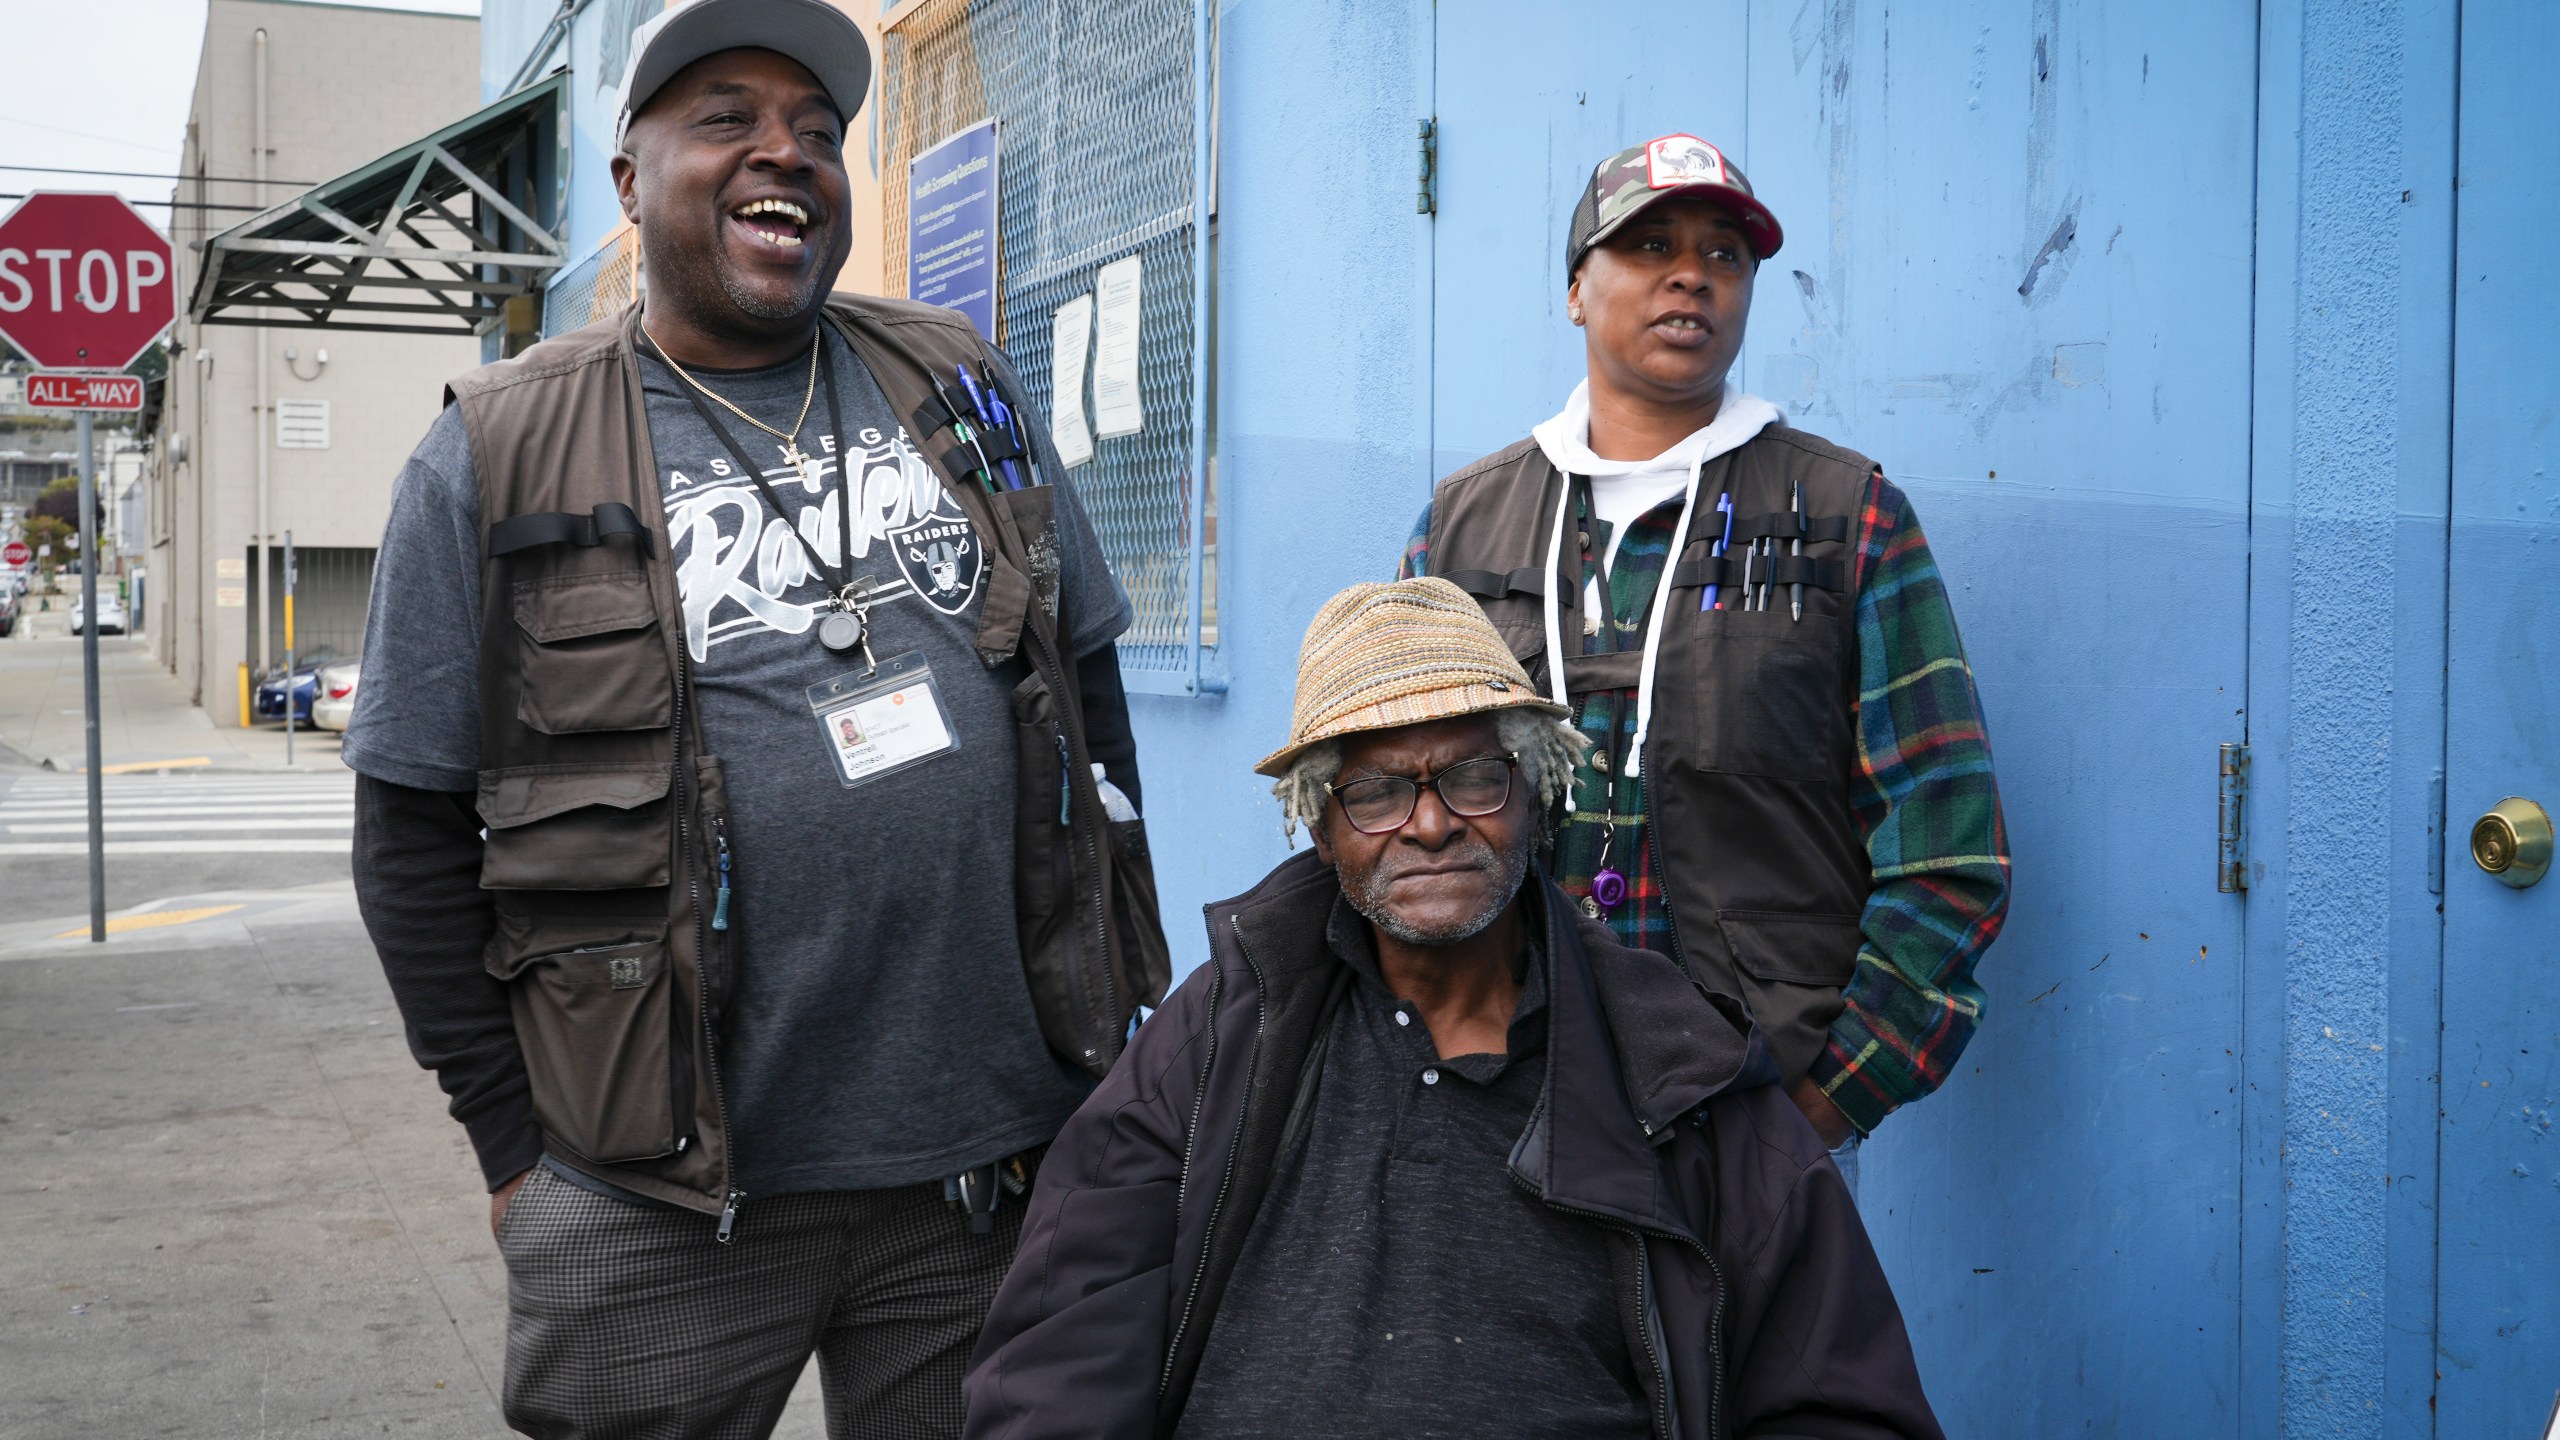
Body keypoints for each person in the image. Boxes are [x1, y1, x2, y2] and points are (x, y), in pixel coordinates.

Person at [344, 0, 1167, 1433]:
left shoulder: (957, 378)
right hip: (656, 1196)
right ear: (628, 178)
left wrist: (1111, 1006)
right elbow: (409, 828)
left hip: (989, 1175)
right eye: (725, 116)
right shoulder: (494, 445)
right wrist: (515, 1157)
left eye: (818, 130)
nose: (782, 153)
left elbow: (1082, 702)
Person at [962, 578, 1945, 1440]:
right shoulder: (1225, 1032)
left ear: (1533, 795)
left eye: (1472, 777)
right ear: (1319, 826)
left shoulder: (1678, 1073)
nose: (1430, 824)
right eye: (1377, 792)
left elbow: (1838, 1403)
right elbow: (1059, 1355)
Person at [1401, 134, 2010, 1183]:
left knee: (1740, 1353)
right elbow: (1385, 806)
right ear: (1575, 291)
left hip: (1746, 1102)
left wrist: (1824, 1105)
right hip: (1499, 1088)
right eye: (1648, 245)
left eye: (1724, 255)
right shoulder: (1462, 527)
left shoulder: (1844, 515)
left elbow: (1947, 850)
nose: (1691, 273)